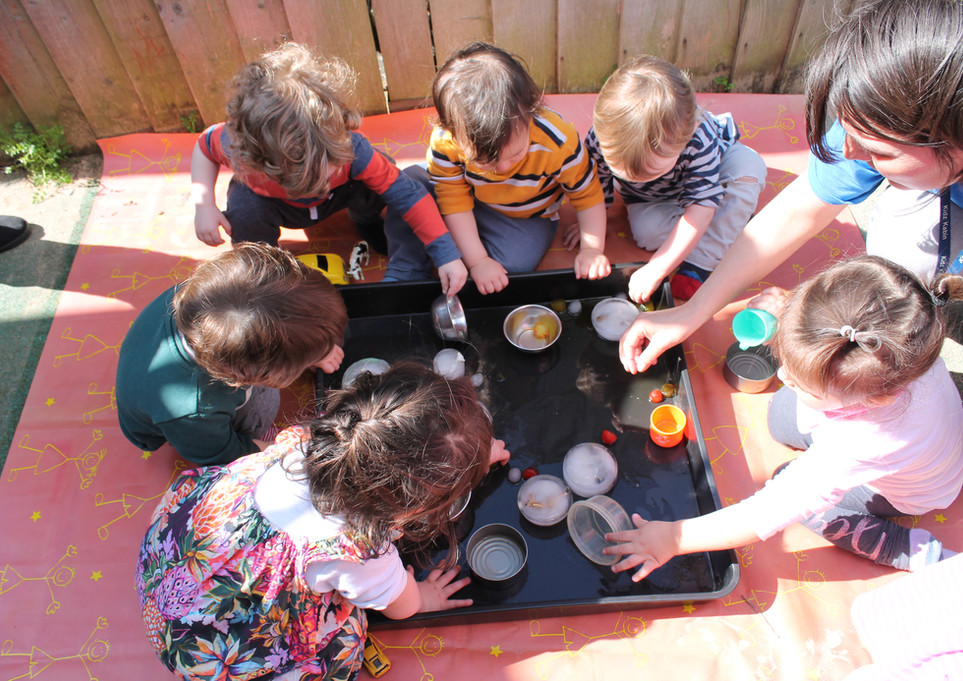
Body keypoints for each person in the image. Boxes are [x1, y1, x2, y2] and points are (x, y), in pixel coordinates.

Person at [619, 0, 963, 374]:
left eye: (877, 150)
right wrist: (690, 313)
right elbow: (797, 212)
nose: (849, 152)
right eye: (846, 129)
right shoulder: (876, 122)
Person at [136, 361, 511, 680]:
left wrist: (471, 453)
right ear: (416, 507)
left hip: (171, 565)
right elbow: (401, 605)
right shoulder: (361, 556)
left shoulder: (311, 440)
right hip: (204, 649)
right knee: (343, 641)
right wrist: (425, 597)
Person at [606, 255, 963, 579]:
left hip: (909, 489)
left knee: (804, 502)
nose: (783, 378)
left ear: (875, 398)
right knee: (780, 417)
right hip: (911, 433)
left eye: (802, 382)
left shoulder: (864, 442)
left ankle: (907, 550)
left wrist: (673, 537)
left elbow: (766, 513)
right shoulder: (903, 342)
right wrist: (789, 312)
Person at [191, 42, 466, 294]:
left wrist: (446, 253)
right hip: (273, 207)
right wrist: (204, 205)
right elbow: (203, 146)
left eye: (323, 172)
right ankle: (265, 269)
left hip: (339, 197)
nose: (313, 186)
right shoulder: (237, 144)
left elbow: (409, 195)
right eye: (297, 181)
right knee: (244, 211)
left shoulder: (351, 150)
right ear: (257, 160)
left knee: (385, 171)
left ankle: (365, 219)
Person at [383, 42, 610, 294]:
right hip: (464, 198)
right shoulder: (446, 142)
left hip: (524, 215)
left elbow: (587, 194)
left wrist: (592, 249)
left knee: (515, 263)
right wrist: (478, 261)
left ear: (530, 112)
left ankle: (447, 242)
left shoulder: (558, 141)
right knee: (408, 187)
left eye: (515, 155)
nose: (502, 168)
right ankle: (407, 267)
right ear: (452, 131)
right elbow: (453, 202)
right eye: (485, 162)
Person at [116, 243, 348, 465]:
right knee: (264, 407)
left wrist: (312, 349)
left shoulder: (211, 294)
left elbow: (277, 312)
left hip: (152, 361)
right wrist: (281, 449)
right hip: (174, 423)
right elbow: (222, 453)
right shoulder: (195, 409)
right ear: (249, 375)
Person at [570, 55, 766, 303]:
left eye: (652, 170)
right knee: (647, 234)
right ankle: (729, 221)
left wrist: (657, 266)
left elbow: (701, 206)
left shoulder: (699, 136)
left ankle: (700, 262)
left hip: (712, 173)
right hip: (657, 198)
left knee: (748, 168)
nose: (638, 177)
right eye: (625, 174)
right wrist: (592, 225)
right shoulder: (600, 138)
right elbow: (598, 186)